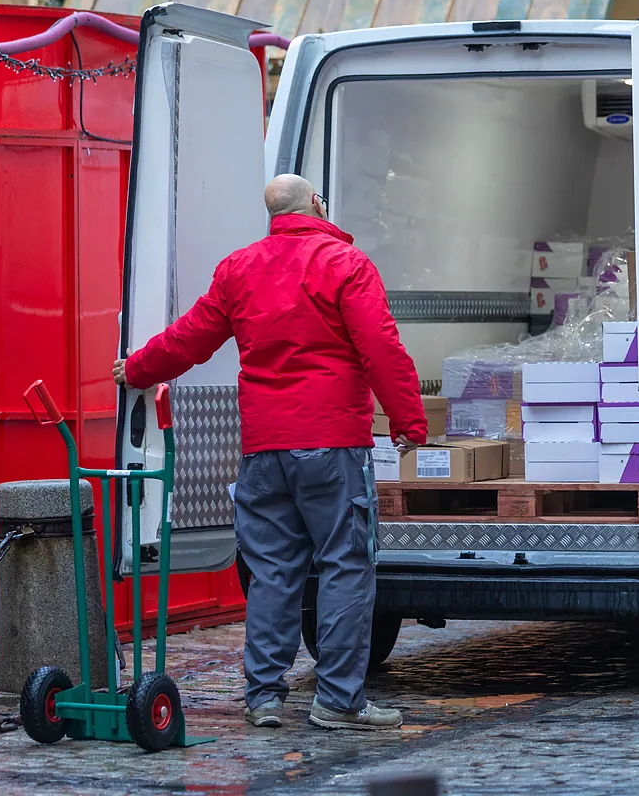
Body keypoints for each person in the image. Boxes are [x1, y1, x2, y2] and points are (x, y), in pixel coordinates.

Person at [113, 174, 426, 731]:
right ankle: (339, 702)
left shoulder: (239, 269)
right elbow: (381, 347)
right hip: (332, 443)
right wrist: (407, 420)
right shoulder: (346, 264)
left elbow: (190, 338)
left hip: (263, 449)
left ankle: (263, 696)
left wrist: (137, 368)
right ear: (317, 205)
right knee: (345, 566)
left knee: (273, 571)